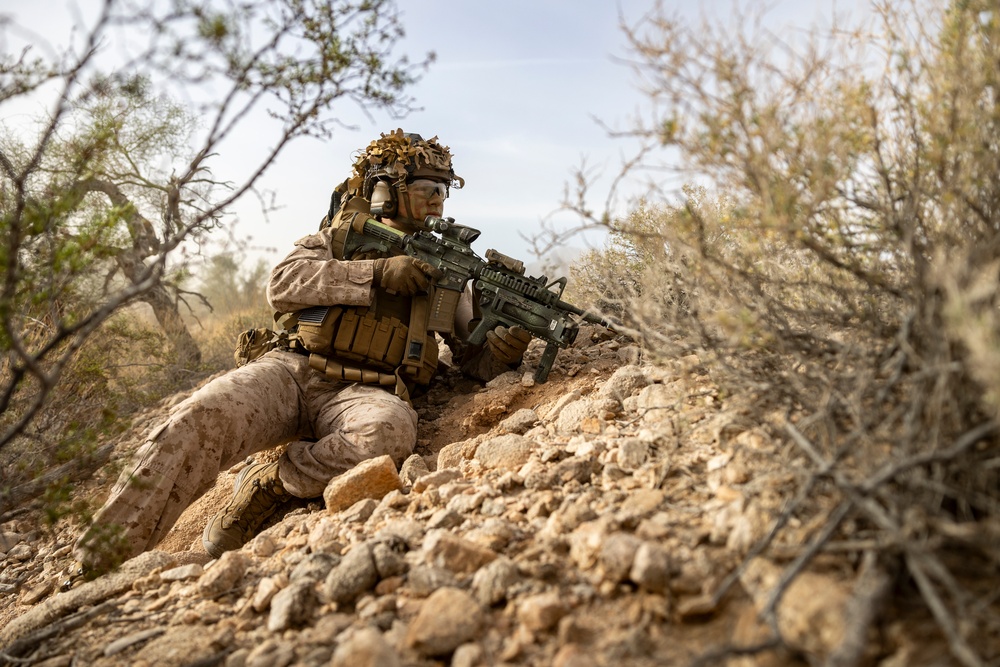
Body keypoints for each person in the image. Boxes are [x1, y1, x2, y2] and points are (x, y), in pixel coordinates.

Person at [66, 129, 532, 586]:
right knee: (197, 416)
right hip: (292, 371)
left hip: (368, 392)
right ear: (388, 191)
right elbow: (283, 285)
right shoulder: (339, 239)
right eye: (426, 188)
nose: (437, 200)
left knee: (387, 433)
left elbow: (475, 360)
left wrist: (504, 350)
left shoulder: (448, 269)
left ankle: (273, 482)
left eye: (443, 190)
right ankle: (97, 564)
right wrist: (375, 274)